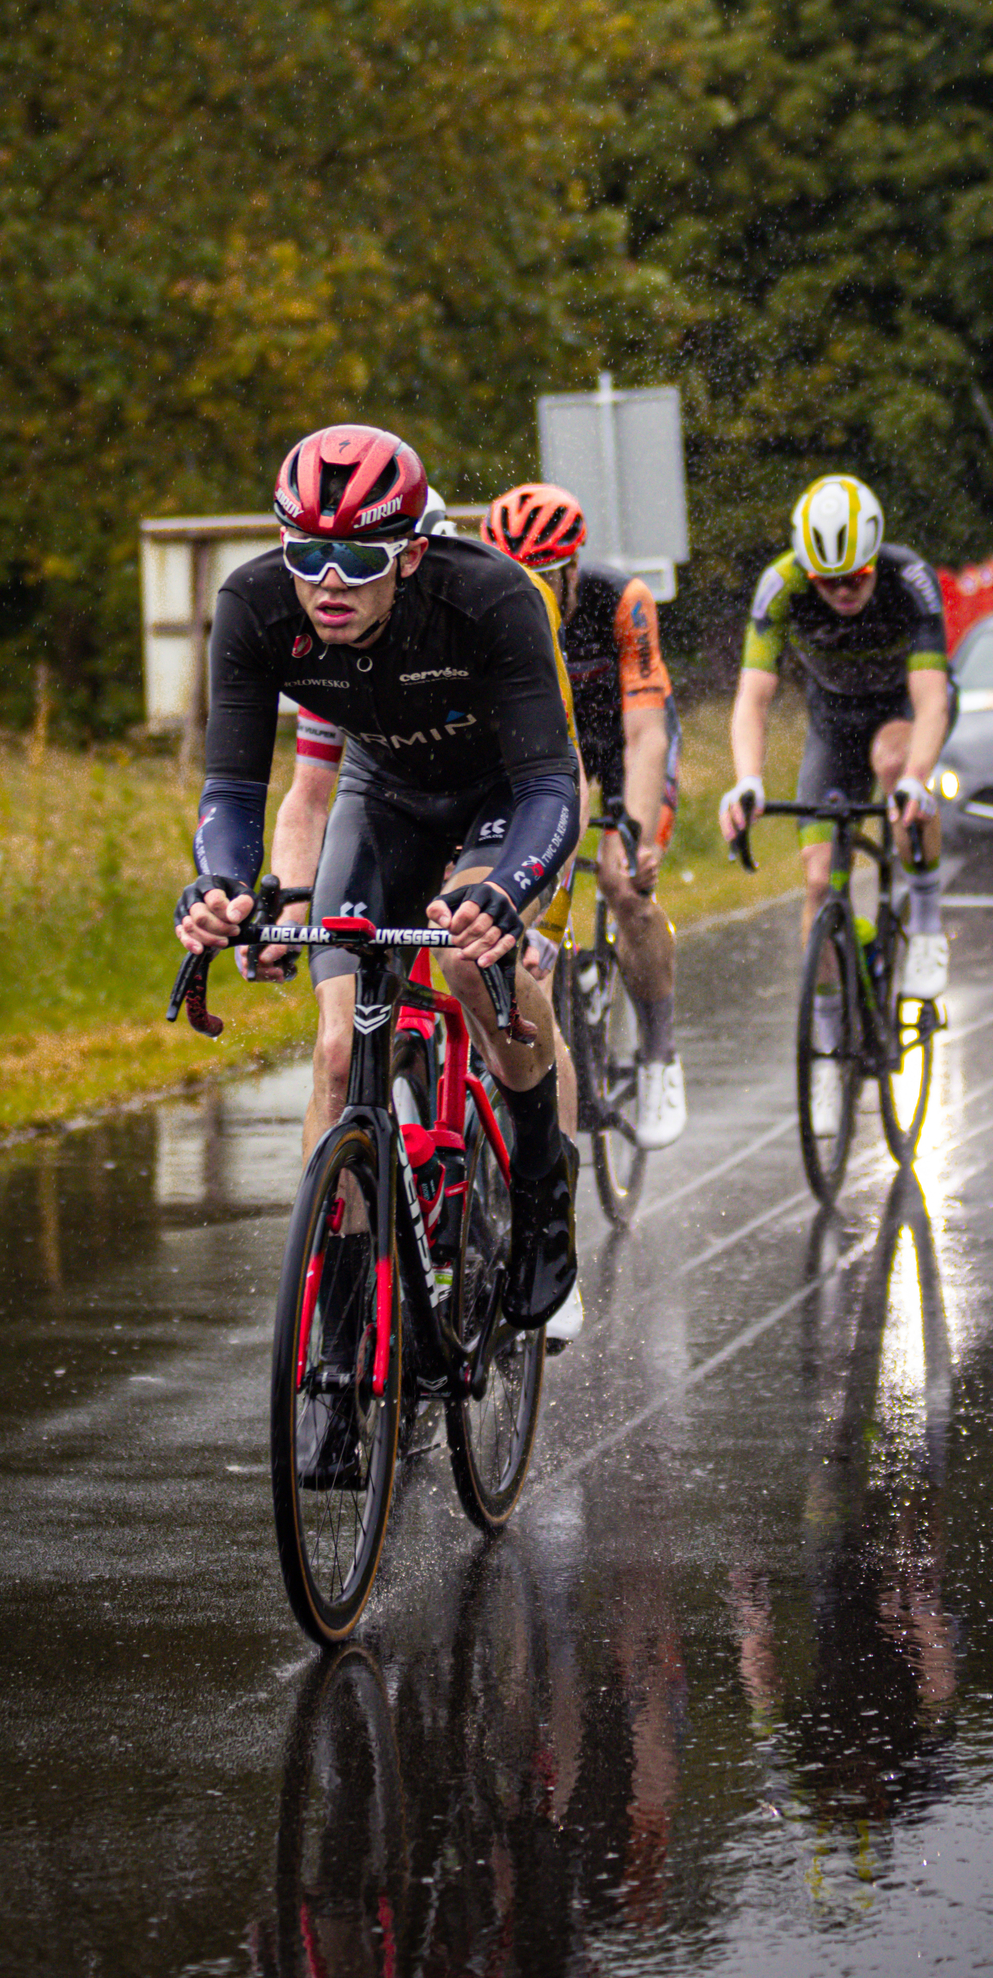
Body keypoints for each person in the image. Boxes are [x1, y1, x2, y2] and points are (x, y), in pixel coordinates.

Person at [174, 425, 584, 1368]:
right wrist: (232, 890)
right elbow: (235, 791)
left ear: (410, 552)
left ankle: (539, 1198)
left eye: (356, 559)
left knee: (472, 967)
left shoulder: (489, 596)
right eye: (304, 552)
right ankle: (336, 1347)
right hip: (386, 795)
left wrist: (510, 895)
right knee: (331, 1053)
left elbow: (552, 787)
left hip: (500, 798)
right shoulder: (250, 605)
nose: (328, 582)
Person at [482, 483, 689, 1149]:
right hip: (551, 751)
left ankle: (660, 1054)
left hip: (625, 737)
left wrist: (635, 828)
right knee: (527, 889)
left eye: (547, 578)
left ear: (573, 569)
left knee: (626, 885)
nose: (535, 592)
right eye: (521, 579)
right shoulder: (492, 609)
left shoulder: (620, 600)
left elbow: (646, 737)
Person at [717, 475, 953, 1007]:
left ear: (875, 558)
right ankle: (826, 1042)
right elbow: (752, 700)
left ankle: (928, 920)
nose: (843, 591)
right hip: (834, 721)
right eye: (827, 582)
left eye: (856, 576)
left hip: (904, 709)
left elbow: (933, 699)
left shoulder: (909, 577)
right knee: (820, 882)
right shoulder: (781, 585)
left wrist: (916, 779)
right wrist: (747, 780)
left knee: (894, 763)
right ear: (807, 573)